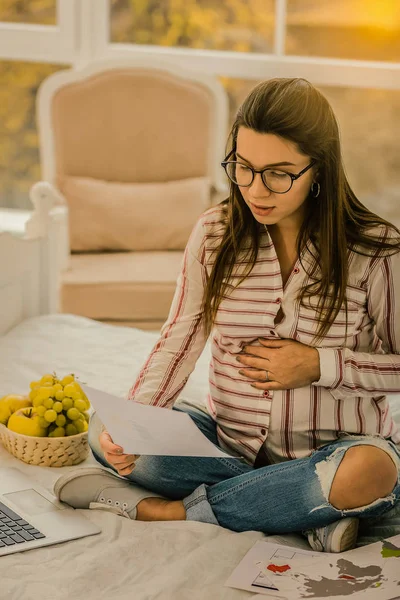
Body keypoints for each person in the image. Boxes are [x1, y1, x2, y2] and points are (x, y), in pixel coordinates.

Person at [54, 77, 400, 553]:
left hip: (335, 452)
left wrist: (320, 365)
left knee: (371, 473)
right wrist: (135, 420)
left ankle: (176, 511)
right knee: (104, 429)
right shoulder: (215, 234)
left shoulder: (376, 251)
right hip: (226, 449)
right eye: (243, 167)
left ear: (319, 168)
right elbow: (179, 337)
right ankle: (293, 506)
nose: (256, 189)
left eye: (279, 173)